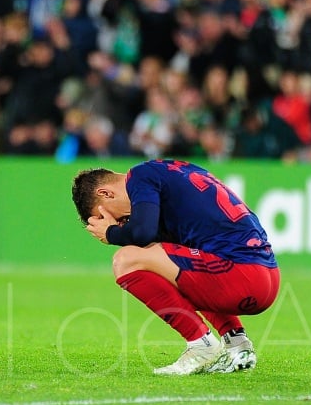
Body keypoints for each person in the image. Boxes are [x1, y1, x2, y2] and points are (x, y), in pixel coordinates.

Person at [72, 159, 279, 375]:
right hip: (265, 276)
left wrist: (111, 233)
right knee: (172, 262)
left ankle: (200, 345)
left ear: (106, 194)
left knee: (125, 260)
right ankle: (238, 345)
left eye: (107, 217)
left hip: (240, 276)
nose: (121, 222)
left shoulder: (140, 175)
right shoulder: (175, 171)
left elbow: (142, 233)